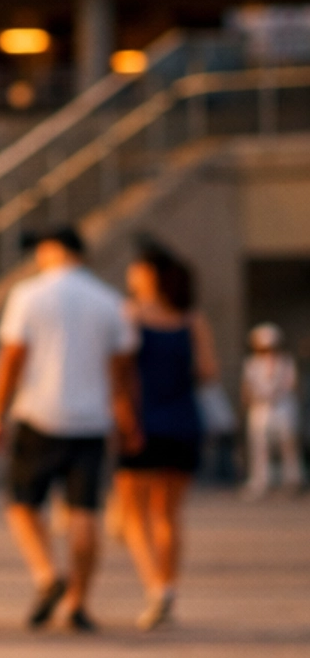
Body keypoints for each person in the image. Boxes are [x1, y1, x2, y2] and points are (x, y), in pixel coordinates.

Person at [0, 224, 139, 632]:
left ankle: (48, 575)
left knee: (21, 502)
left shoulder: (28, 295)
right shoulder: (109, 302)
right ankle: (78, 602)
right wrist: (127, 421)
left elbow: (12, 357)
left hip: (38, 415)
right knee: (84, 510)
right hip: (91, 420)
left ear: (53, 250)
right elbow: (122, 373)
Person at [113, 242, 217, 632]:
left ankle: (153, 586)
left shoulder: (131, 316)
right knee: (169, 515)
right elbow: (208, 371)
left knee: (133, 513)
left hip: (141, 426)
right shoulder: (192, 320)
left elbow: (119, 374)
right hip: (184, 423)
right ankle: (168, 585)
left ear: (149, 275)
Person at [242, 323, 304, 496]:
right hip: (260, 407)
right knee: (259, 445)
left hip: (283, 406)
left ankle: (292, 480)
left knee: (288, 443)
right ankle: (260, 481)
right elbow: (247, 388)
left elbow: (293, 385)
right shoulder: (252, 363)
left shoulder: (286, 362)